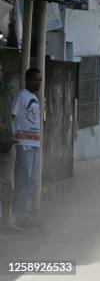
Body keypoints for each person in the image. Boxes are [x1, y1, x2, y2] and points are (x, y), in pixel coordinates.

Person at [11, 68, 42, 228]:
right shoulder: (21, 96)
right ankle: (20, 215)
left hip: (34, 144)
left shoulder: (34, 98)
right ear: (27, 80)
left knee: (32, 181)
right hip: (24, 145)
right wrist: (14, 138)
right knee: (24, 180)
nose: (38, 83)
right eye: (36, 80)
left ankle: (25, 213)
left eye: (40, 80)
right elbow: (12, 116)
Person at [0, 62, 20, 231]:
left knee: (7, 183)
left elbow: (10, 116)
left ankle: (7, 219)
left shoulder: (7, 90)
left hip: (6, 142)